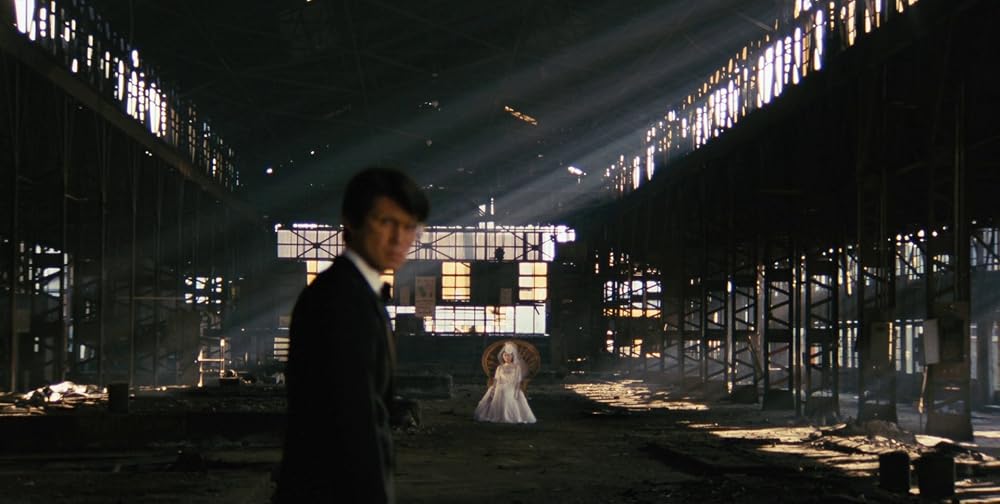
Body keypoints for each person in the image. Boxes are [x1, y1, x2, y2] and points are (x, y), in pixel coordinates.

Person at [273, 166, 429, 503]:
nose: (399, 238)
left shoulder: (355, 293)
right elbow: (353, 422)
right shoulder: (341, 300)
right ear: (351, 223)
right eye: (386, 222)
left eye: (409, 227)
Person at [473, 341, 537, 424]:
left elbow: (518, 380)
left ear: (512, 356)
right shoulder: (500, 367)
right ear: (503, 356)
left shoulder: (516, 367)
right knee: (499, 390)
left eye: (509, 355)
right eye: (505, 355)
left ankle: (508, 416)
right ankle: (497, 415)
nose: (507, 357)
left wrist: (517, 390)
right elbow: (496, 379)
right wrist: (493, 389)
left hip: (512, 386)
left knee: (507, 392)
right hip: (500, 385)